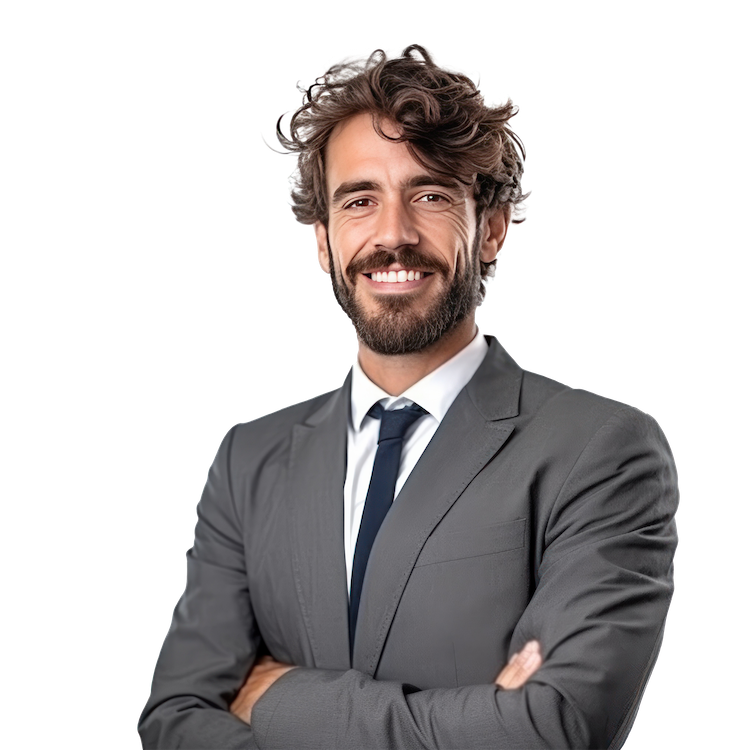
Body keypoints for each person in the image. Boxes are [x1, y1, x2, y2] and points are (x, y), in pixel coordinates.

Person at [138, 43, 679, 749]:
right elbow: (175, 720)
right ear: (323, 241)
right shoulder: (250, 458)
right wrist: (477, 720)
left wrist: (270, 697)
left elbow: (555, 727)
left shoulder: (600, 451)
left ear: (490, 229)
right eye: (360, 200)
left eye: (430, 195)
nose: (392, 234)